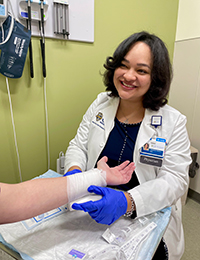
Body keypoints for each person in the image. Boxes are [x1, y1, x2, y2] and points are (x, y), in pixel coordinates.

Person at [64, 31, 192, 260]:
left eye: (141, 70)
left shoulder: (173, 122)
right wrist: (75, 176)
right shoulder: (101, 103)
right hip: (94, 210)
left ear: (156, 78)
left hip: (144, 217)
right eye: (124, 66)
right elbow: (78, 146)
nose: (128, 76)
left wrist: (127, 202)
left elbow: (175, 179)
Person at [0, 156, 135, 224]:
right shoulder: (102, 103)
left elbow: (12, 199)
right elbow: (12, 201)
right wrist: (99, 176)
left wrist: (130, 201)